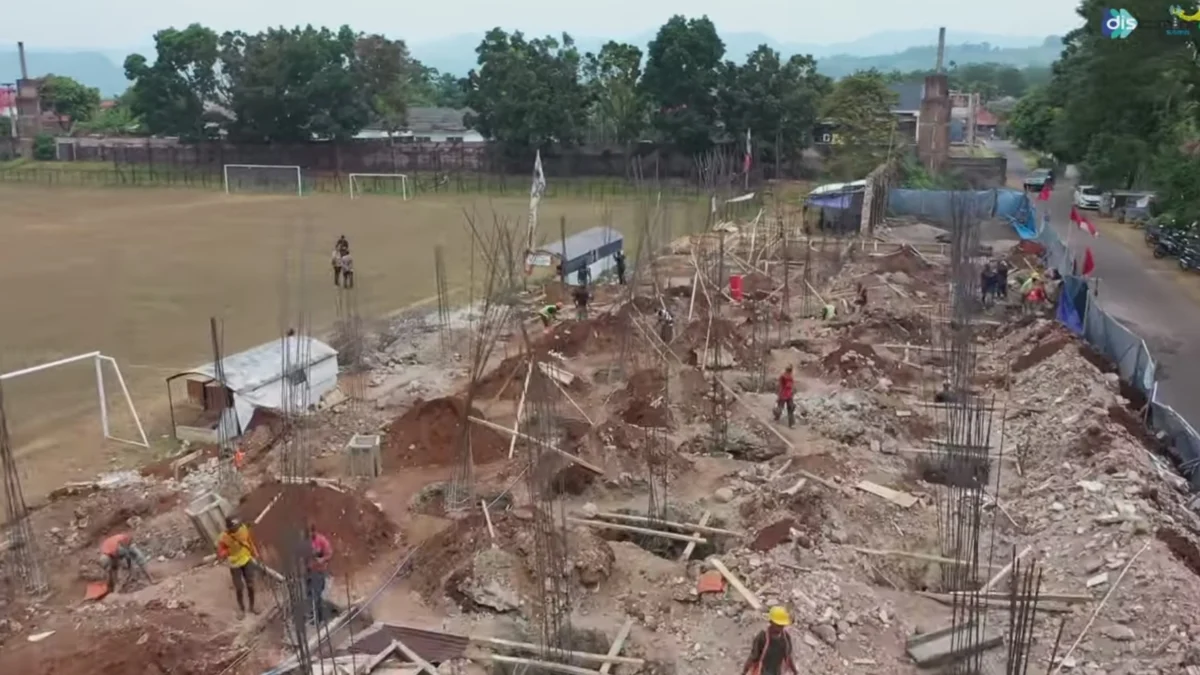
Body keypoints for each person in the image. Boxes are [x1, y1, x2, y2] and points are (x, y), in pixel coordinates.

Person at [216, 516, 260, 618]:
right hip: (234, 564)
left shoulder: (243, 529)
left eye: (237, 527)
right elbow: (220, 553)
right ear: (229, 529)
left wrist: (255, 553)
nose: (237, 530)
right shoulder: (224, 538)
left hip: (246, 559)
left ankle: (252, 606)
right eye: (234, 528)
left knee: (251, 584)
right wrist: (229, 550)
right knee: (239, 587)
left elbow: (249, 541)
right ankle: (241, 609)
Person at [741, 606, 797, 675]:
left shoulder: (786, 638)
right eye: (778, 625)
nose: (780, 628)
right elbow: (753, 657)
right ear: (771, 622)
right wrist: (744, 672)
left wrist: (795, 672)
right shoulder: (762, 637)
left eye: (782, 625)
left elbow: (788, 657)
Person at [307, 523, 333, 625]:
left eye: (310, 532)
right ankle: (313, 615)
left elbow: (329, 553)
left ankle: (320, 618)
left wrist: (322, 560)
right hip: (309, 571)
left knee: (317, 595)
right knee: (309, 594)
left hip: (319, 571)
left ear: (314, 532)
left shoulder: (321, 541)